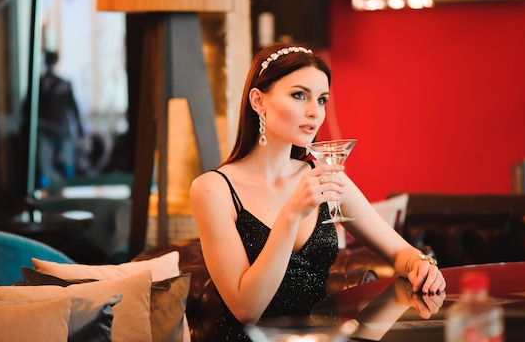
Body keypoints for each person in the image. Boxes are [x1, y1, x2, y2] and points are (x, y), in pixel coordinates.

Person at [189, 43, 446, 340]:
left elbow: (399, 251)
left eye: (322, 100)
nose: (315, 112)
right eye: (299, 95)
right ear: (258, 101)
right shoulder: (213, 189)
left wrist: (420, 265)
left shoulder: (323, 175)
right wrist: (291, 214)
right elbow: (247, 310)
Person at [36, 50, 84, 189]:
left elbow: (73, 108)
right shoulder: (40, 85)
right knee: (46, 168)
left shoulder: (63, 84)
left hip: (61, 131)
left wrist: (79, 129)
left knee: (66, 166)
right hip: (46, 131)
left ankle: (67, 193)